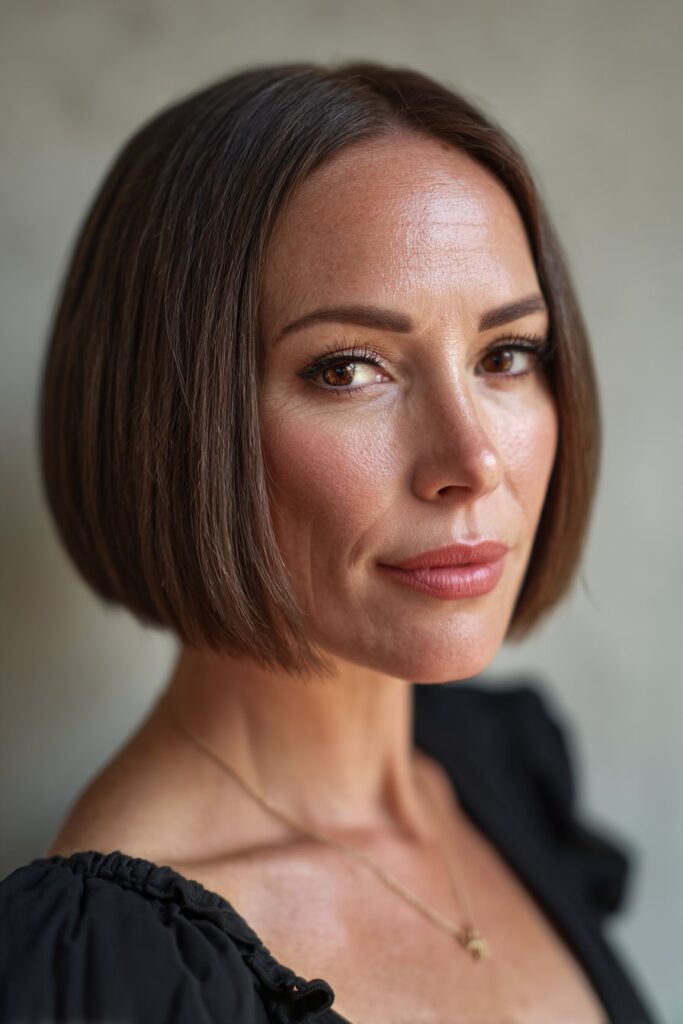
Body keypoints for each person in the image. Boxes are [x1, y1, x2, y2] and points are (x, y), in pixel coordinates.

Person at [0, 60, 660, 1024]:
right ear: (170, 420)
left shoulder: (499, 764)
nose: (473, 461)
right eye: (348, 369)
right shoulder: (102, 972)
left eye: (505, 354)